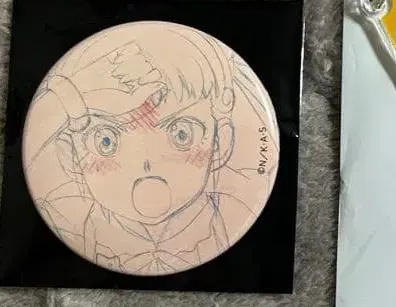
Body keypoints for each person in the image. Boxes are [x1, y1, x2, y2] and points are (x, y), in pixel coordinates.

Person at [22, 22, 277, 274]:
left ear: (221, 142)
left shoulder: (241, 215)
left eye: (181, 134)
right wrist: (64, 95)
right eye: (106, 140)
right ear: (70, 155)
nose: (146, 163)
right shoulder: (60, 223)